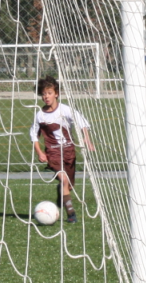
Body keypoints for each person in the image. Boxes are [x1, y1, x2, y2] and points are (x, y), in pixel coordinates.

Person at [30, 76, 94, 223]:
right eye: (43, 94)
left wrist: (87, 139)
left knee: (67, 185)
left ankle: (62, 191)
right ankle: (71, 214)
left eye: (49, 93)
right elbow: (33, 134)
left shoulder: (65, 110)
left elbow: (82, 122)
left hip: (69, 152)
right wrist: (40, 152)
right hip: (53, 152)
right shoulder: (40, 115)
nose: (46, 97)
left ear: (56, 94)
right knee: (64, 180)